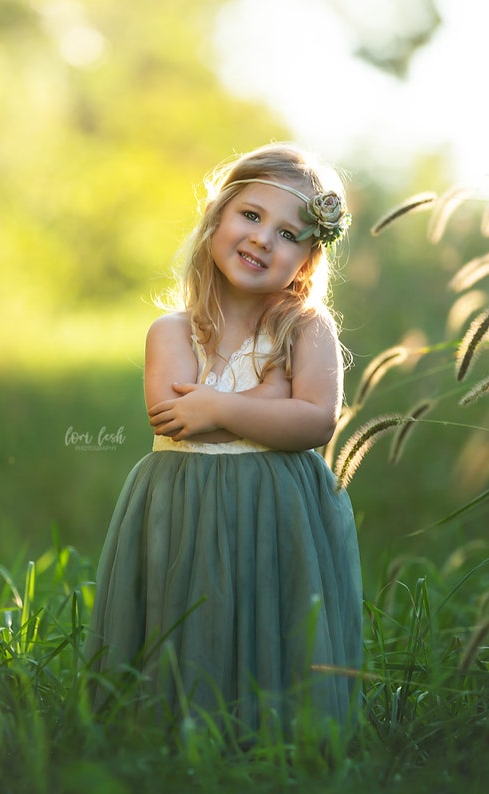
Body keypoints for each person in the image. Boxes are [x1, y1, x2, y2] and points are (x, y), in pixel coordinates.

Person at [85, 142, 363, 738]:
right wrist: (265, 402)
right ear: (217, 219)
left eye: (290, 234)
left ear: (309, 260)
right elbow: (173, 416)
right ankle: (173, 733)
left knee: (270, 617)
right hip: (183, 502)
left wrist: (218, 404)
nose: (264, 240)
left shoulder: (307, 329)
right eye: (252, 216)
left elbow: (315, 421)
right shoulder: (171, 330)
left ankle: (271, 735)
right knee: (186, 615)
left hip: (277, 509)